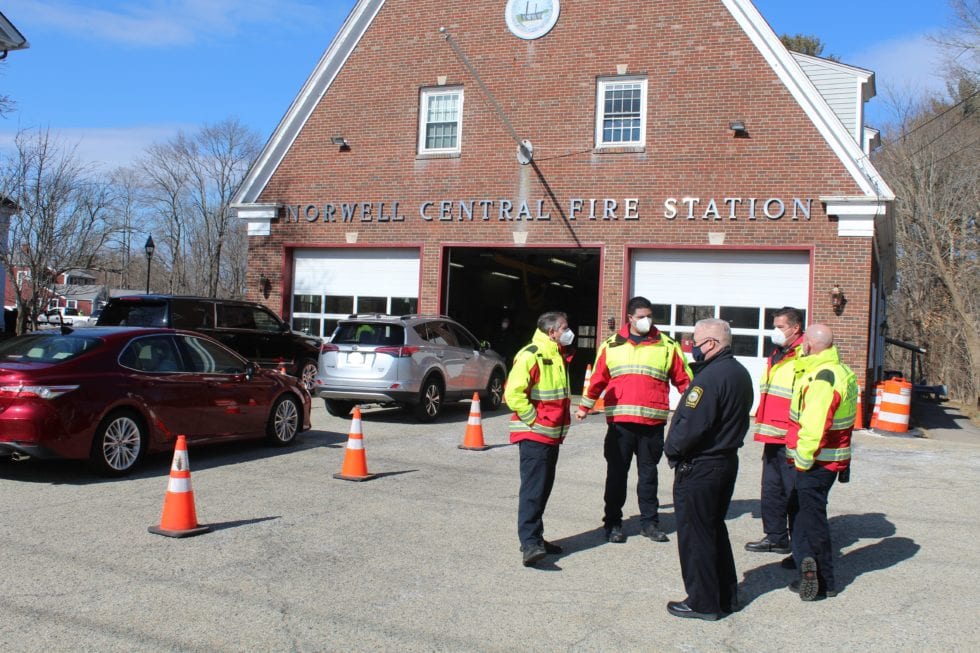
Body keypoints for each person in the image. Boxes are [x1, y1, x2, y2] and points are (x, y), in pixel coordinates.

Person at [576, 296, 692, 544]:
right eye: (641, 317)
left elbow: (685, 380)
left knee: (648, 476)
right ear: (629, 318)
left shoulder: (667, 345)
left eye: (649, 316)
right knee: (616, 475)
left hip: (652, 424)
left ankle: (649, 523)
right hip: (620, 424)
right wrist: (584, 406)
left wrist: (695, 409)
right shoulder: (611, 345)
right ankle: (612, 523)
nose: (646, 320)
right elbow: (597, 379)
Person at [664, 318, 754, 620]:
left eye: (696, 342)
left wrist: (671, 449)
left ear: (711, 344)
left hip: (702, 466)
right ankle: (726, 596)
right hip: (725, 462)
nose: (692, 347)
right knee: (714, 529)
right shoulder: (738, 372)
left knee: (696, 536)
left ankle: (702, 602)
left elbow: (692, 425)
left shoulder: (710, 378)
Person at [785, 323, 857, 601]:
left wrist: (802, 461)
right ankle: (803, 559)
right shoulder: (840, 370)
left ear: (809, 344)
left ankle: (824, 579)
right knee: (801, 512)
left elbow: (814, 426)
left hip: (817, 463)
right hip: (829, 460)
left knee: (812, 519)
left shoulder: (822, 378)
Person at [504, 311, 574, 567]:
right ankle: (529, 544)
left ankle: (536, 537)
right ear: (552, 332)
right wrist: (534, 419)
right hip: (536, 434)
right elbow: (513, 394)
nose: (568, 332)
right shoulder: (531, 354)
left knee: (542, 489)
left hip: (550, 435)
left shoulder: (556, 354)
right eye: (564, 328)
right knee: (533, 491)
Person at [745, 307, 805, 556]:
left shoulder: (805, 355)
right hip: (772, 435)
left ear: (796, 328)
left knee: (794, 493)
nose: (775, 332)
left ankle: (801, 546)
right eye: (774, 326)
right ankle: (776, 537)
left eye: (780, 327)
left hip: (793, 437)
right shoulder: (778, 354)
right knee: (772, 490)